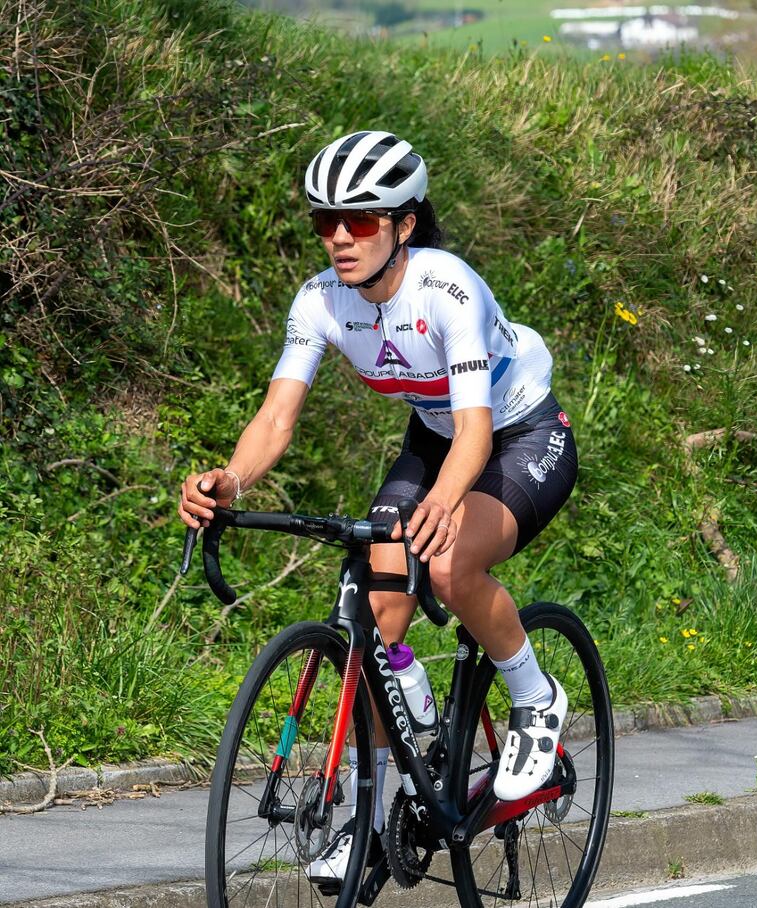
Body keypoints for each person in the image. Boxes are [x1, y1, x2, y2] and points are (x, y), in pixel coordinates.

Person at [179, 130, 578, 883]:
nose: (338, 237)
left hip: (518, 432)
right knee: (375, 612)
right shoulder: (322, 301)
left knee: (453, 564)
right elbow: (275, 419)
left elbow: (475, 432)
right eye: (324, 221)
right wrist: (230, 480)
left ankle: (535, 699)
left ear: (404, 224)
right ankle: (381, 814)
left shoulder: (447, 288)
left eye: (360, 221)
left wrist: (445, 505)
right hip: (436, 435)